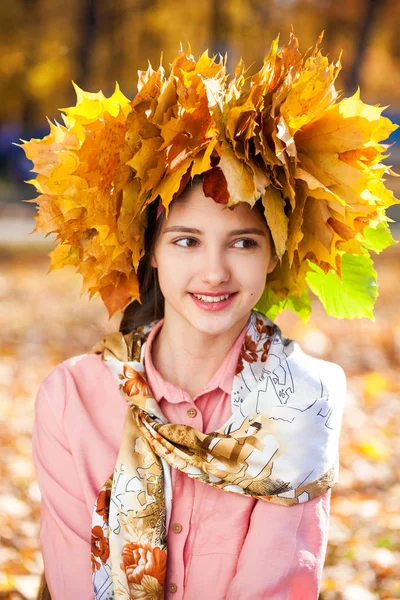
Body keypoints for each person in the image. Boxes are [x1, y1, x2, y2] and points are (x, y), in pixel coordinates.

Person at [23, 32, 397, 600]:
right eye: (187, 241)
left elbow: (276, 584)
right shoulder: (72, 397)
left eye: (243, 243)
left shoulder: (304, 397)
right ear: (148, 249)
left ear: (275, 253)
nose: (215, 272)